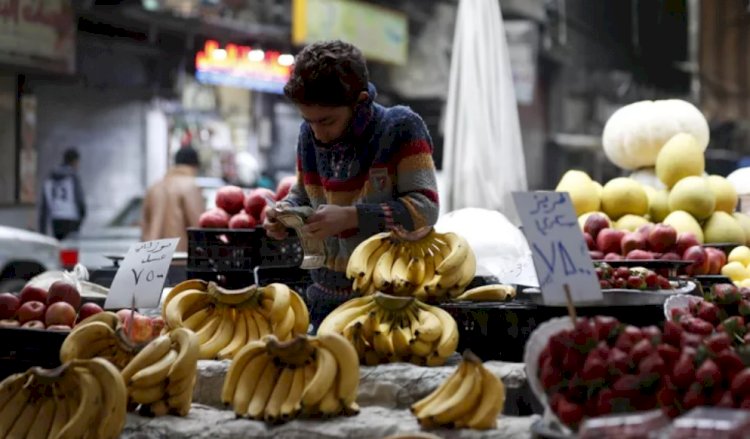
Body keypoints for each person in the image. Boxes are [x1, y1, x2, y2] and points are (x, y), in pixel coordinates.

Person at [263, 40, 440, 331]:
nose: (319, 133)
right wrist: (285, 212)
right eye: (309, 121)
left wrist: (353, 217)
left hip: (391, 304)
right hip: (322, 300)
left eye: (327, 121)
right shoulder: (308, 134)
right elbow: (302, 193)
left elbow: (425, 209)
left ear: (359, 103)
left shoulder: (401, 128)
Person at [142, 147, 205, 252]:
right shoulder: (190, 186)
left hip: (152, 260)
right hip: (180, 258)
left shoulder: (154, 187)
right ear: (195, 165)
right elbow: (198, 226)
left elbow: (145, 225)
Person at [39, 147, 87, 240]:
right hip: (72, 218)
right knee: (71, 250)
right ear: (74, 161)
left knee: (60, 247)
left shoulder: (50, 178)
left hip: (56, 218)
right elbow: (80, 200)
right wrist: (81, 217)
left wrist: (42, 230)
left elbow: (45, 205)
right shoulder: (73, 177)